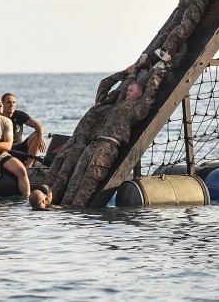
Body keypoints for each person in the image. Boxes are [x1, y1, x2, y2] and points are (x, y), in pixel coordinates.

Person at [62, 61, 168, 208]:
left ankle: (77, 208)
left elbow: (150, 90)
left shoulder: (137, 108)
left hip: (108, 147)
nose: (127, 91)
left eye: (131, 90)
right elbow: (124, 84)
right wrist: (134, 71)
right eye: (128, 89)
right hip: (95, 143)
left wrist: (160, 69)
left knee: (89, 180)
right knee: (76, 178)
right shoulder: (118, 103)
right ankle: (65, 206)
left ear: (139, 94)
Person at [44, 63, 143, 204]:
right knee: (55, 166)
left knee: (64, 174)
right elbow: (104, 84)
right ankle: (43, 195)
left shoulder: (113, 110)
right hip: (74, 139)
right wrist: (125, 72)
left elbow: (124, 92)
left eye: (113, 94)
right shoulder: (100, 103)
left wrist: (133, 74)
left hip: (84, 143)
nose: (110, 93)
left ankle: (54, 201)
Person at [1, 92, 46, 167]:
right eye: (8, 102)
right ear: (2, 104)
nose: (12, 104)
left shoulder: (19, 115)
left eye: (14, 102)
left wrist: (40, 137)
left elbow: (38, 125)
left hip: (19, 150)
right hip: (5, 150)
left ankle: (28, 167)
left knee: (37, 134)